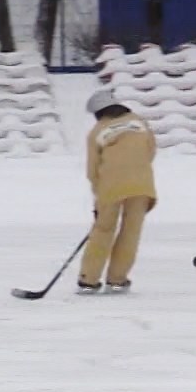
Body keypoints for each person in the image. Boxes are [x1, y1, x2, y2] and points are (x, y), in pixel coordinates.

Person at [77, 89, 158, 294]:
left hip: (110, 186)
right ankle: (117, 279)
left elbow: (92, 169)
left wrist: (98, 199)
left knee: (103, 231)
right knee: (131, 232)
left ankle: (88, 278)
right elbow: (151, 151)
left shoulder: (96, 132)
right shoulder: (140, 122)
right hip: (142, 184)